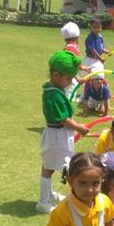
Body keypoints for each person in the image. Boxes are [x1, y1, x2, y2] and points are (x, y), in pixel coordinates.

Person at [36, 51, 90, 214]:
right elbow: (62, 119)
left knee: (50, 167)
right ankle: (43, 201)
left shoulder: (55, 89)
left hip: (59, 135)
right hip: (57, 136)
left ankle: (49, 195)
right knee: (64, 167)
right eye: (68, 79)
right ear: (56, 75)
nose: (69, 82)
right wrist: (79, 127)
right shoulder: (53, 94)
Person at [60, 22, 91, 100]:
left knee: (68, 96)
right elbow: (70, 65)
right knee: (68, 98)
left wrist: (85, 68)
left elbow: (76, 63)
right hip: (69, 78)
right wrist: (77, 78)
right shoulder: (72, 49)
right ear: (77, 36)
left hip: (68, 76)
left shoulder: (69, 47)